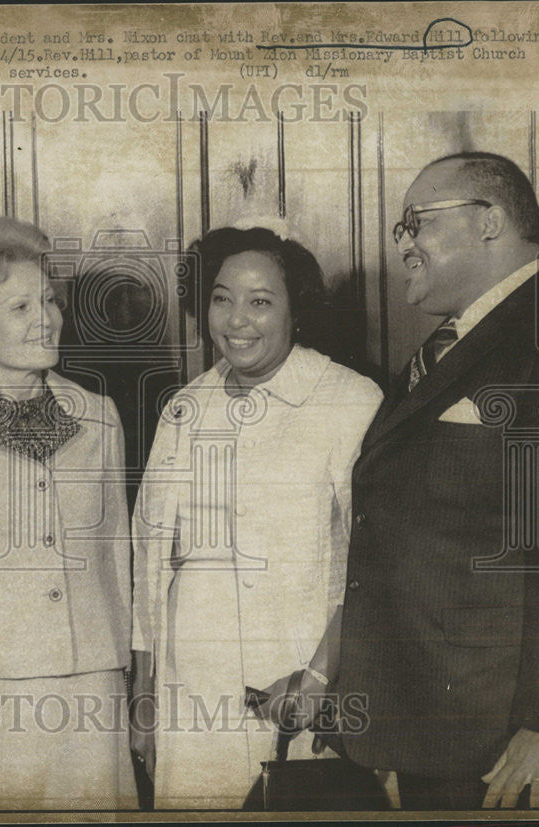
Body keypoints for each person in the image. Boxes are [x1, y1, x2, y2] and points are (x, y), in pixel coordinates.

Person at [337, 152, 539, 809]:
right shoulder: (453, 342)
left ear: (488, 222)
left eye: (416, 223)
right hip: (430, 720)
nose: (405, 245)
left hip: (501, 740)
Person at [129, 226, 383, 809]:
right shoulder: (184, 407)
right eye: (222, 298)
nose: (237, 319)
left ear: (297, 312)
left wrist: (320, 678)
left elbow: (374, 561)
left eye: (260, 301)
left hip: (297, 684)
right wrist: (144, 698)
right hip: (190, 689)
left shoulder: (350, 400)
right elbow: (149, 561)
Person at [0, 216, 137, 810]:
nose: (46, 318)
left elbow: (118, 554)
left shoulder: (100, 416)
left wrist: (131, 674)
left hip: (91, 681)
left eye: (48, 300)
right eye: (20, 307)